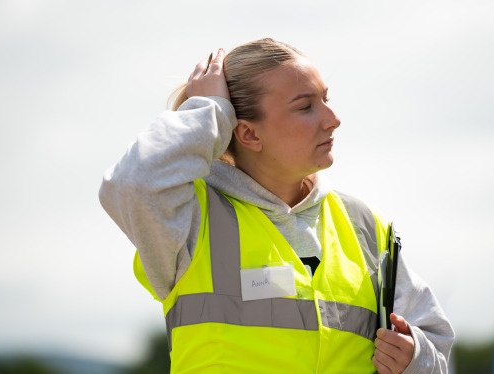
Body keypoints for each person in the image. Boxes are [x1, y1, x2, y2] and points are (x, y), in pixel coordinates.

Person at [99, 38, 454, 373]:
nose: (332, 118)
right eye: (306, 106)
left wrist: (414, 357)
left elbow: (435, 343)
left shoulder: (363, 223)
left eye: (326, 99)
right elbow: (131, 184)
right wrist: (208, 111)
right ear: (249, 134)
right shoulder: (191, 220)